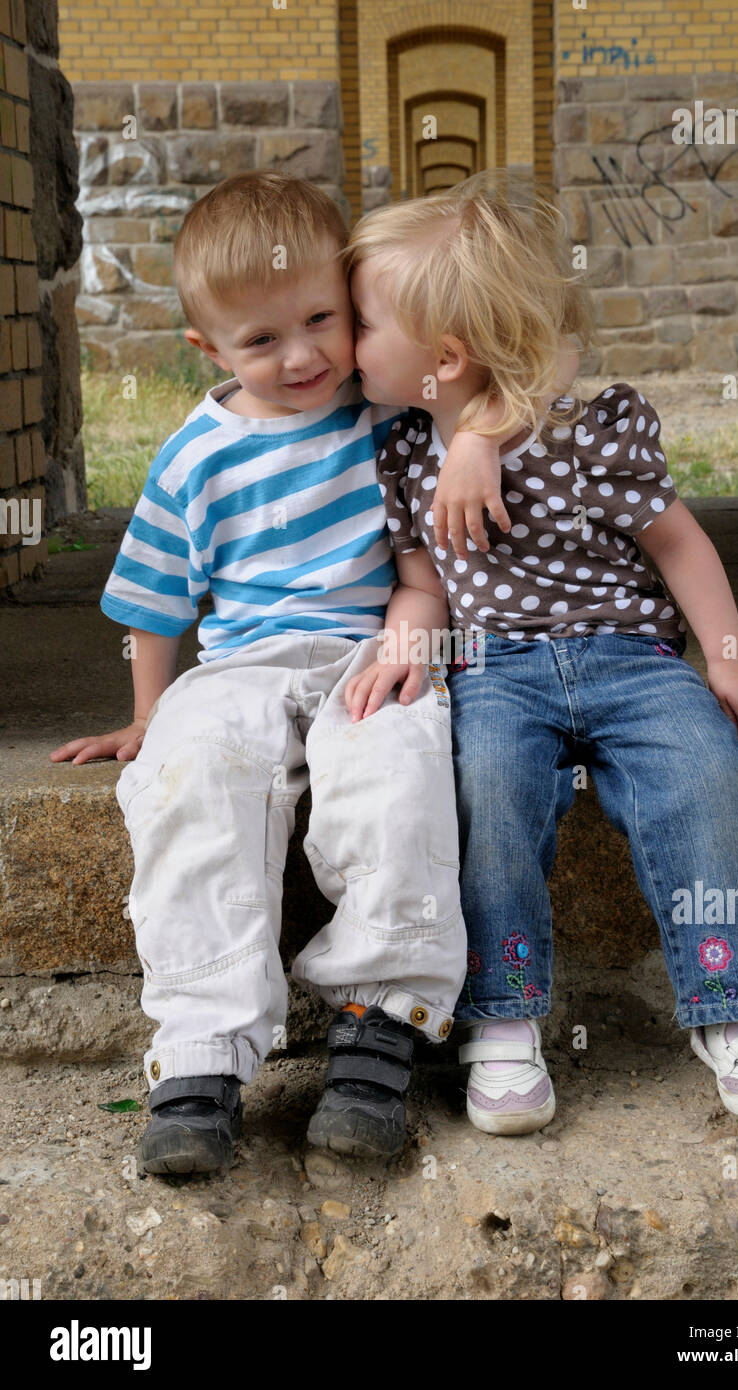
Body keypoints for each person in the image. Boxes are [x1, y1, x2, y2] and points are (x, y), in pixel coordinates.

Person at [340, 170, 738, 1136]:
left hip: (632, 660)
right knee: (478, 789)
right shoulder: (400, 455)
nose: (346, 345)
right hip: (494, 671)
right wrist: (409, 641)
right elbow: (424, 580)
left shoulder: (586, 432)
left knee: (716, 777)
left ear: (446, 353)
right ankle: (502, 1022)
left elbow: (678, 540)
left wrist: (726, 656)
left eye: (358, 324)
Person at [50, 171, 503, 1170]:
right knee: (191, 782)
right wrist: (147, 715)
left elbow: (501, 387)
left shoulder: (386, 415)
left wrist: (412, 637)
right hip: (241, 664)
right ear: (207, 350)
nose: (301, 356)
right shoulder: (192, 460)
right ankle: (201, 1057)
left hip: (370, 648)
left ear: (350, 303)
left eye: (320, 321)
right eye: (261, 340)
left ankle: (380, 1030)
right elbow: (156, 604)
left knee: (399, 767)